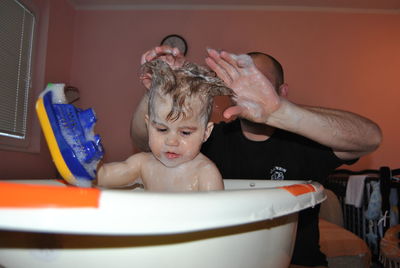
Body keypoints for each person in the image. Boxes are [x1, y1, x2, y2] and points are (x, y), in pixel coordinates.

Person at [131, 46, 382, 266]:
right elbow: (145, 143)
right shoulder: (208, 138)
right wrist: (157, 89)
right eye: (240, 82)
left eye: (258, 82)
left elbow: (370, 138)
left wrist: (278, 112)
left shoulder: (306, 143)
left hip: (297, 263)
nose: (248, 91)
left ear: (282, 90)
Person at [97, 58, 233, 192]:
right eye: (162, 129)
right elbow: (102, 176)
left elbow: (215, 212)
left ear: (206, 133)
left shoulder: (205, 174)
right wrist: (83, 160)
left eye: (185, 132)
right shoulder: (142, 165)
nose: (171, 141)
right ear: (148, 124)